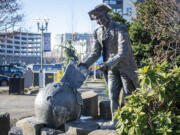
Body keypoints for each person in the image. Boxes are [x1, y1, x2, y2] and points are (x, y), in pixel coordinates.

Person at [80, 3, 139, 124]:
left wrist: (107, 64)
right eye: (96, 19)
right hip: (111, 69)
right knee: (112, 96)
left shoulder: (120, 28)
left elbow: (124, 52)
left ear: (106, 15)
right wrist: (85, 64)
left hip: (125, 67)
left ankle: (131, 122)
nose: (98, 21)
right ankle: (116, 122)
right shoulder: (97, 32)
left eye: (100, 18)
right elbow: (95, 53)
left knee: (129, 96)